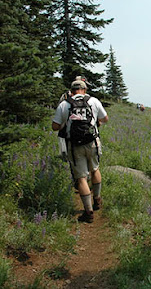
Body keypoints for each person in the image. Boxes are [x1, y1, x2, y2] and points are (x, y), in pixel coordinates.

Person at [52, 77, 109, 223]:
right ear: (84, 90)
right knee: (95, 170)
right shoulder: (93, 101)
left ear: (71, 91)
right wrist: (97, 122)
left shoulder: (64, 104)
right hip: (92, 142)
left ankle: (88, 213)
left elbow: (55, 126)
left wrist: (66, 123)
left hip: (75, 145)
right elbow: (105, 118)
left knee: (81, 178)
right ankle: (97, 200)